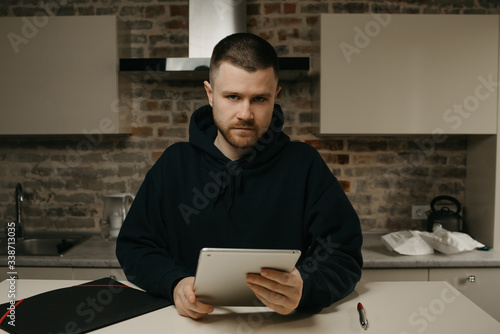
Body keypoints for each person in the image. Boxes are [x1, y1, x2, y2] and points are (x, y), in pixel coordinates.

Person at [116, 32, 363, 320]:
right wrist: (174, 283)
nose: (245, 114)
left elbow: (343, 254)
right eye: (232, 96)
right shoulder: (174, 164)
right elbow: (135, 246)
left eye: (259, 99)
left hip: (282, 326)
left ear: (276, 97)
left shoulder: (304, 164)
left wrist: (305, 287)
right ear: (210, 94)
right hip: (195, 325)